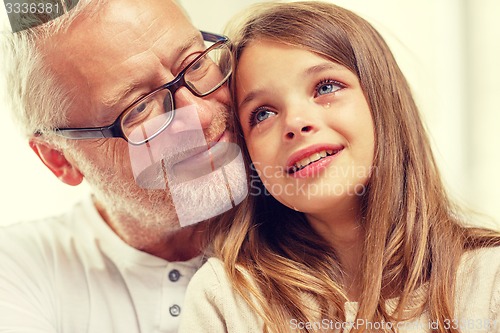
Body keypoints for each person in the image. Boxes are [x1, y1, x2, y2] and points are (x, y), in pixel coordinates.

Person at [179, 2, 500, 333]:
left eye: (325, 87)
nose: (296, 122)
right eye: (263, 113)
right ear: (249, 156)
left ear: (382, 101)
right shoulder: (226, 300)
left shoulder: (490, 282)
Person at [0, 0, 247, 331]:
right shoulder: (21, 269)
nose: (200, 115)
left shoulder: (314, 213)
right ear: (60, 159)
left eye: (195, 63)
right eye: (140, 108)